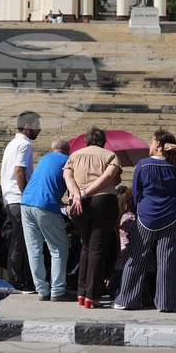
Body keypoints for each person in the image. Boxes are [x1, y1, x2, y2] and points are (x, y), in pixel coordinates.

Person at [113, 130, 176, 312]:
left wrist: (137, 213)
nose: (149, 145)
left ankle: (127, 300)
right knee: (166, 259)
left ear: (159, 144)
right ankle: (165, 302)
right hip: (171, 216)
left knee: (136, 257)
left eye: (152, 142)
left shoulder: (143, 165)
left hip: (146, 216)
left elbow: (136, 193)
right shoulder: (175, 165)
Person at [64, 126, 123, 308]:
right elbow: (108, 177)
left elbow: (67, 175)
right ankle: (92, 296)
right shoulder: (110, 155)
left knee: (86, 247)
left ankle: (82, 294)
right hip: (103, 201)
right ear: (103, 140)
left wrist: (77, 194)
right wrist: (87, 191)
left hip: (78, 204)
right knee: (97, 248)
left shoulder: (74, 156)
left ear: (87, 140)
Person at [21, 139, 73, 302]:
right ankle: (57, 291)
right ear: (67, 151)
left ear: (52, 150)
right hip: (45, 206)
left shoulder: (44, 158)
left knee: (34, 249)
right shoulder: (68, 161)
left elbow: (45, 183)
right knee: (59, 248)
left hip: (26, 203)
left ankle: (42, 291)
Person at [0, 110, 41, 292]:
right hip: (18, 198)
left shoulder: (12, 144)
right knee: (21, 241)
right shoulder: (24, 144)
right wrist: (26, 195)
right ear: (27, 127)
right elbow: (19, 170)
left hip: (10, 198)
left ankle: (19, 278)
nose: (39, 130)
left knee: (21, 240)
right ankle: (17, 280)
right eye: (37, 126)